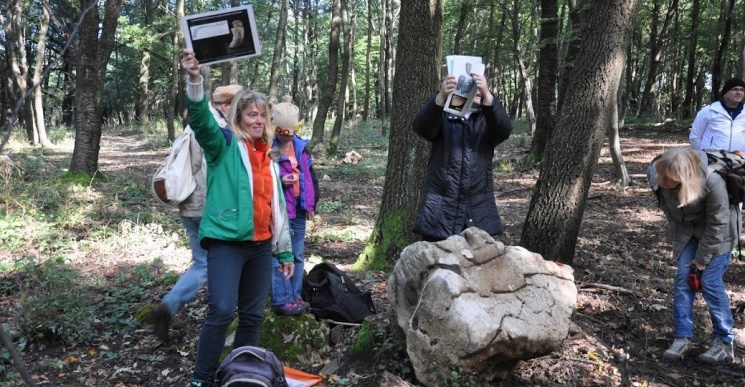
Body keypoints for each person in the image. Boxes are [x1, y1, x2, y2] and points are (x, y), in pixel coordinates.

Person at [181, 49, 294, 387]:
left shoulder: (269, 157)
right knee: (220, 310)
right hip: (227, 243)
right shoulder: (224, 146)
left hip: (260, 247)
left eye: (262, 115)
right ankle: (201, 379)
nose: (257, 121)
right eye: (250, 115)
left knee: (253, 316)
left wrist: (284, 251)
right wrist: (195, 80)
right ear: (238, 119)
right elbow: (201, 120)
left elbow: (278, 209)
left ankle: (244, 375)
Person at [152, 84, 243, 344]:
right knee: (210, 263)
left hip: (187, 205)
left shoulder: (191, 127)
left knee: (204, 262)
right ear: (226, 106)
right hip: (207, 207)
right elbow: (209, 173)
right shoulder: (212, 129)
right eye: (237, 107)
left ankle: (172, 306)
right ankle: (181, 308)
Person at [647, 147, 739, 363]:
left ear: (684, 177)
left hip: (720, 234)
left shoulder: (712, 182)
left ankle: (724, 342)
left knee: (709, 282)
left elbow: (718, 223)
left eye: (667, 179)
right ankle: (682, 337)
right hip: (687, 231)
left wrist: (702, 258)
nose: (661, 181)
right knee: (682, 280)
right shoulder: (657, 174)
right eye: (660, 175)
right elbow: (668, 210)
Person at [412, 71, 512, 242]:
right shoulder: (444, 115)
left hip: (477, 209)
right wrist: (441, 96)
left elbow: (504, 129)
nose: (478, 92)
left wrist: (488, 95)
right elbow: (422, 127)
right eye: (474, 88)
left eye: (480, 89)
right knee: (437, 266)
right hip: (440, 211)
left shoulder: (487, 121)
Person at [269, 102, 319, 316]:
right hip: (278, 209)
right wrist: (281, 180)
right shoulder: (268, 147)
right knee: (278, 253)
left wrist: (311, 204)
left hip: (298, 208)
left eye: (290, 134)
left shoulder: (301, 146)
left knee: (297, 254)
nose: (286, 138)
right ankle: (281, 298)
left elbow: (310, 178)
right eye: (282, 134)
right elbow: (263, 177)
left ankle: (295, 295)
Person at [689, 77, 745, 152]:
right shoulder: (709, 111)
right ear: (725, 93)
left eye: (742, 90)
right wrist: (704, 155)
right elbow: (695, 137)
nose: (739, 92)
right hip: (713, 160)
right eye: (735, 89)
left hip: (739, 159)